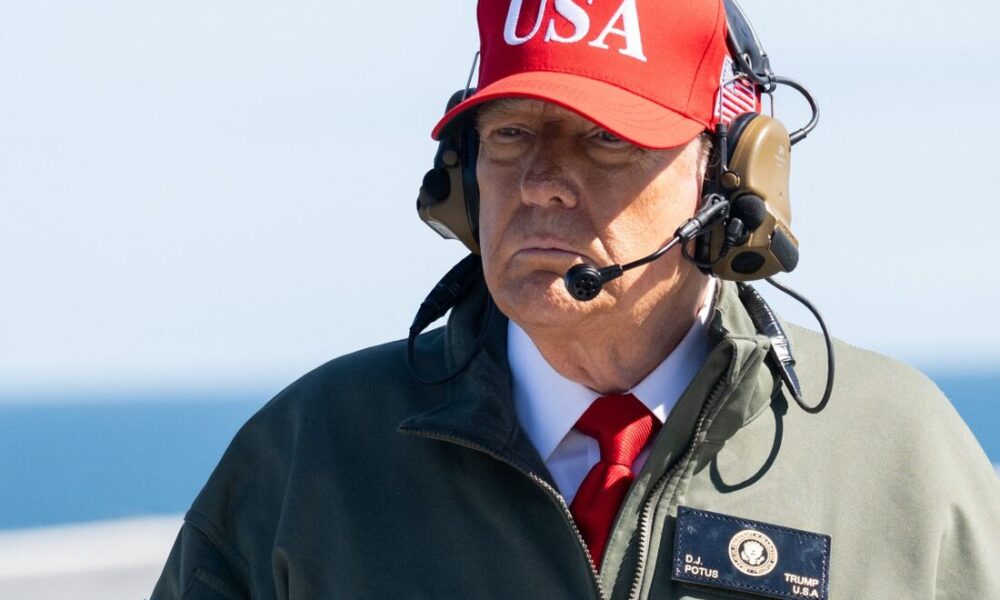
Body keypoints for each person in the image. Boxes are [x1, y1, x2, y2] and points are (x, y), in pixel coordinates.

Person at [151, 1, 1000, 598]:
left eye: (605, 139)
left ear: (727, 179)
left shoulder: (899, 458)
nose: (542, 184)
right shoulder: (309, 455)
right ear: (461, 176)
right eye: (511, 134)